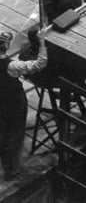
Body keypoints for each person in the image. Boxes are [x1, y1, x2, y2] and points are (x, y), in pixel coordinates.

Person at [0, 28, 48, 181]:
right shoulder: (11, 66)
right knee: (14, 134)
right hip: (13, 101)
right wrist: (42, 43)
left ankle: (8, 165)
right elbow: (40, 64)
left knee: (4, 132)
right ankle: (11, 170)